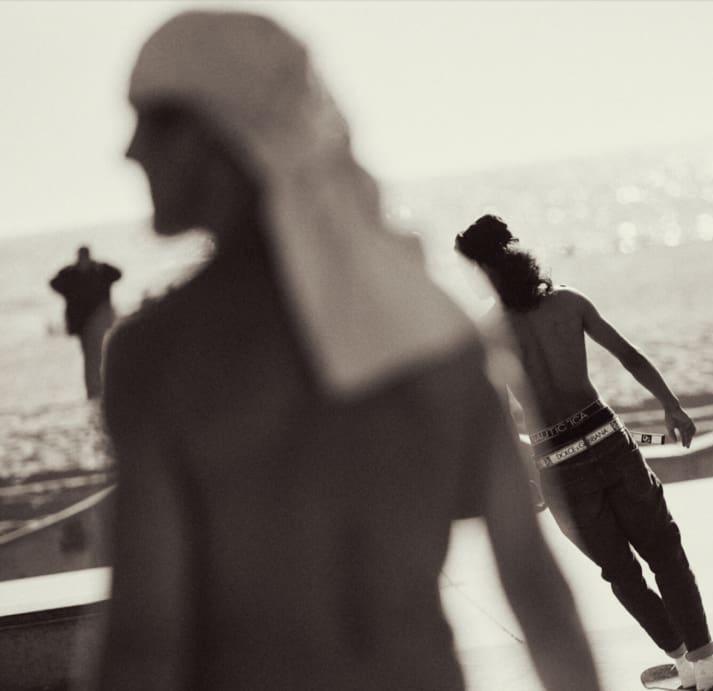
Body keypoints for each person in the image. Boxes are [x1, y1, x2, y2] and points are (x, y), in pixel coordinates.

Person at [93, 11, 602, 691]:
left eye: (151, 122)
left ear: (223, 134)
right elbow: (538, 593)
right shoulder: (433, 328)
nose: (129, 152)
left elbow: (144, 642)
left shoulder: (161, 354)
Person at [455, 214, 713, 691]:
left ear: (484, 270)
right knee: (665, 554)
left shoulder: (489, 333)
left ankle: (683, 661)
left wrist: (527, 465)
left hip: (557, 462)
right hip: (609, 440)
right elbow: (628, 355)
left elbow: (496, 417)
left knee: (621, 573)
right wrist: (671, 408)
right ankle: (705, 661)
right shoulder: (567, 302)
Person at [49, 245, 121, 399]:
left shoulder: (99, 271)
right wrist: (69, 274)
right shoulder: (71, 275)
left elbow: (118, 274)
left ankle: (100, 390)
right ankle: (94, 392)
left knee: (99, 356)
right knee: (91, 358)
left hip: (100, 321)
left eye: (85, 258)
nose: (83, 261)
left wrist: (100, 265)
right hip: (82, 325)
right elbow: (54, 283)